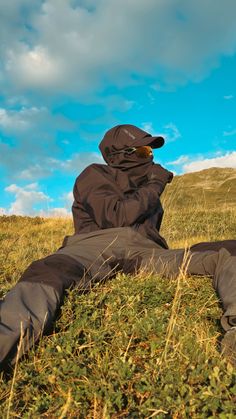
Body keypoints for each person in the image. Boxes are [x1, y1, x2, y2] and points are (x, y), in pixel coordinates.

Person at [0, 124, 235, 370]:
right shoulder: (95, 174)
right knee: (49, 271)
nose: (151, 157)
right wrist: (154, 185)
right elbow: (117, 217)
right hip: (94, 246)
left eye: (151, 152)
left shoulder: (146, 187)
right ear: (121, 153)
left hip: (147, 254)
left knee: (228, 249)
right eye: (144, 152)